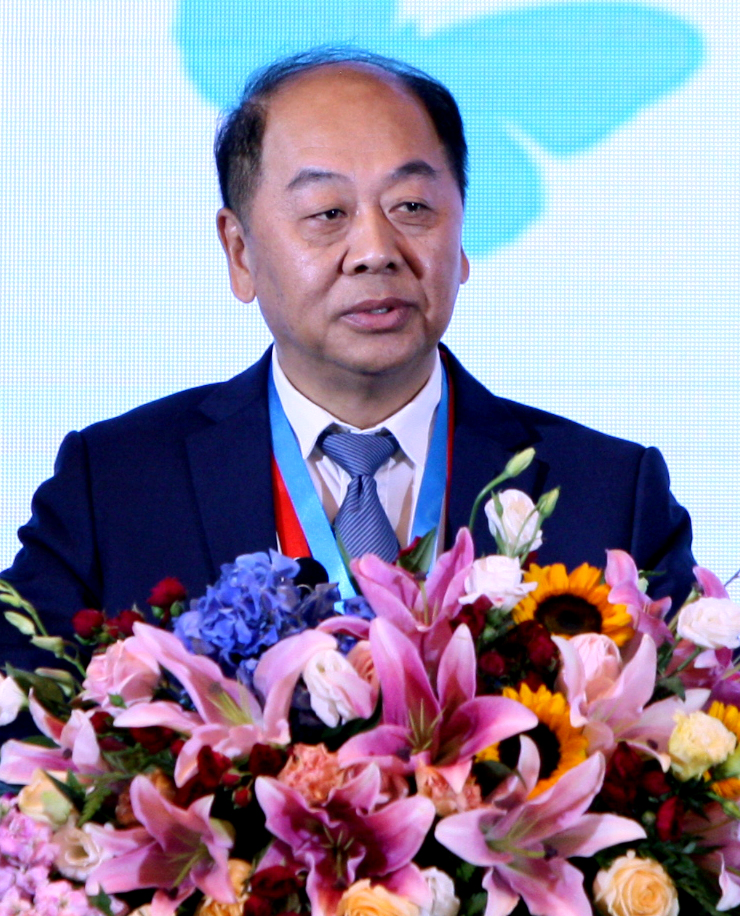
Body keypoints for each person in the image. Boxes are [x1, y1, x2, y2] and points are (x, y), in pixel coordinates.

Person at [0, 48, 694, 676]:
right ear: (239, 253)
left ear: (461, 236)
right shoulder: (114, 486)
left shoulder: (611, 497)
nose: (375, 250)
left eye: (412, 206)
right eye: (327, 213)